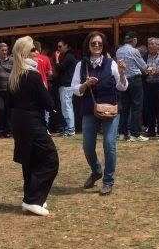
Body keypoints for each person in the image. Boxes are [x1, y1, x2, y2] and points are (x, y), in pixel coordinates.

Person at [71, 31, 128, 196]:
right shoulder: (81, 65)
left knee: (109, 144)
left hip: (110, 109)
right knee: (87, 146)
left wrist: (123, 73)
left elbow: (122, 86)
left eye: (99, 44)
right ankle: (96, 171)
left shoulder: (111, 63)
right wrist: (85, 84)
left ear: (103, 46)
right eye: (93, 43)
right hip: (90, 109)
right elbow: (75, 89)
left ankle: (108, 181)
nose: (96, 46)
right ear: (88, 45)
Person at [8, 36, 59, 215]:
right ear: (25, 53)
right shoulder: (32, 75)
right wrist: (52, 106)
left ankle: (33, 197)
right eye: (33, 50)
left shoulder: (14, 75)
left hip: (19, 122)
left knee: (31, 159)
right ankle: (33, 199)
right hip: (31, 122)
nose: (37, 53)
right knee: (50, 159)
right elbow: (47, 101)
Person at [115, 31, 148, 141]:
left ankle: (122, 133)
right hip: (135, 80)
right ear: (134, 40)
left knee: (124, 107)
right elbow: (143, 67)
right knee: (136, 107)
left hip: (124, 79)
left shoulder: (119, 50)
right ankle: (135, 134)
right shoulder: (134, 51)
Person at [54, 39, 77, 137]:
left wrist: (56, 58)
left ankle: (70, 129)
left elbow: (59, 68)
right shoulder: (68, 57)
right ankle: (69, 128)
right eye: (58, 46)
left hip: (66, 85)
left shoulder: (69, 57)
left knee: (66, 107)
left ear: (66, 46)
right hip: (66, 85)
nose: (58, 49)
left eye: (60, 46)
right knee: (66, 107)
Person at [143, 37, 159, 137]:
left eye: (152, 44)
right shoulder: (145, 56)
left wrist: (158, 72)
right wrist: (145, 72)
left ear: (158, 45)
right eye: (149, 44)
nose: (150, 46)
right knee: (149, 109)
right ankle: (151, 130)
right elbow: (141, 68)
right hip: (148, 85)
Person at [32, 41, 53, 129]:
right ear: (40, 49)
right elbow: (50, 73)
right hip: (43, 85)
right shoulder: (45, 58)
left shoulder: (31, 58)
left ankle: (36, 126)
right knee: (45, 106)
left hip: (32, 85)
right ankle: (45, 127)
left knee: (35, 106)